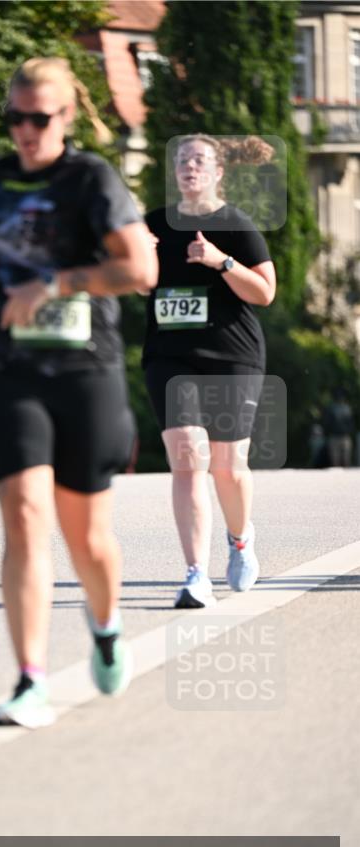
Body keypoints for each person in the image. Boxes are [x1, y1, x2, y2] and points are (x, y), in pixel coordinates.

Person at [0, 57, 158, 727]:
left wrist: (58, 283)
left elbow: (140, 267)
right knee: (22, 518)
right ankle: (29, 679)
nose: (25, 131)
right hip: (9, 367)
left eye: (38, 119)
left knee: (87, 538)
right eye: (15, 118)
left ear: (64, 117)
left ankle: (103, 625)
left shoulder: (89, 179)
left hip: (83, 368)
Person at [143, 134, 277, 608]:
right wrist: (140, 253)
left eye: (199, 160)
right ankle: (195, 573)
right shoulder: (154, 224)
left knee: (227, 466)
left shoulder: (235, 224)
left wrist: (220, 261)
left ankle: (240, 540)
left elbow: (264, 292)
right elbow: (139, 285)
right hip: (169, 356)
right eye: (182, 161)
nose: (189, 168)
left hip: (231, 356)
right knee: (186, 457)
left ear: (218, 172)